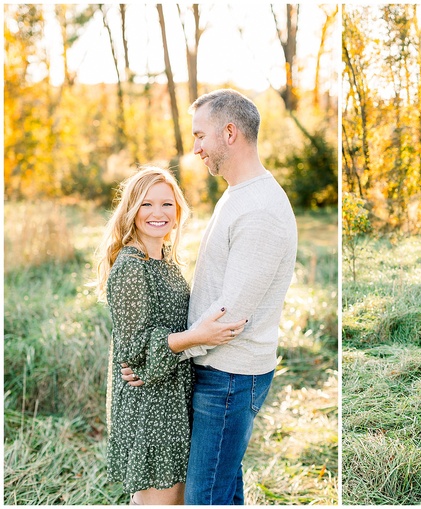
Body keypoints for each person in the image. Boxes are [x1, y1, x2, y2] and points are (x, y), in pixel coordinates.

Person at [122, 90, 298, 504]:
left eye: (200, 135)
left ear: (230, 132)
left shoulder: (259, 209)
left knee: (206, 497)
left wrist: (159, 356)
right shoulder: (240, 193)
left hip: (230, 377)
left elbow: (229, 318)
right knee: (221, 486)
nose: (195, 147)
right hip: (220, 372)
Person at [96, 167, 247, 505]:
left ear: (178, 213)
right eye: (147, 204)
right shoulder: (132, 267)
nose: (158, 213)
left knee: (175, 499)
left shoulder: (163, 259)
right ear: (132, 210)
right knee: (160, 501)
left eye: (167, 204)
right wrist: (197, 336)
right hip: (150, 404)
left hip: (172, 396)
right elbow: (135, 350)